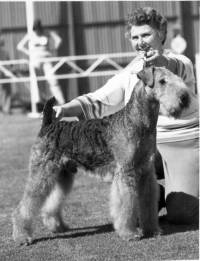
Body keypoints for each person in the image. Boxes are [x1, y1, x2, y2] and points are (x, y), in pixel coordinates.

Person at [53, 7, 199, 225]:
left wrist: (160, 63)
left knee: (183, 214)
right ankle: (156, 193)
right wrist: (63, 109)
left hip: (182, 143)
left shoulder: (178, 61)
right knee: (119, 163)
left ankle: (182, 187)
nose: (140, 41)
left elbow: (174, 67)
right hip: (149, 144)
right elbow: (99, 98)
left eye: (146, 35)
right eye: (135, 37)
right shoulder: (131, 71)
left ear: (160, 33)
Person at [17, 19, 65, 105]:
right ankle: (40, 102)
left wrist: (53, 49)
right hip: (36, 61)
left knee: (53, 80)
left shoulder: (46, 32)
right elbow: (20, 46)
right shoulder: (31, 35)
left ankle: (61, 101)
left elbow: (58, 40)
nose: (37, 31)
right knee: (38, 82)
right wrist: (30, 53)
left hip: (46, 59)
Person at [0, 34, 12, 114]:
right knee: (3, 91)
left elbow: (10, 63)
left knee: (7, 91)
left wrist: (10, 70)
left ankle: (6, 109)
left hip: (6, 73)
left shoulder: (5, 51)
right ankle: (4, 108)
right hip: (3, 72)